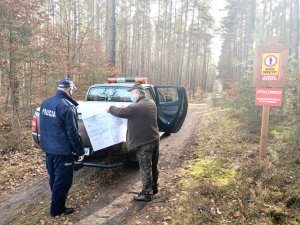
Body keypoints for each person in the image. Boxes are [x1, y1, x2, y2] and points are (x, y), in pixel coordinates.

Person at [40, 77, 85, 217]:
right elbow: (72, 132)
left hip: (49, 148)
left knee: (53, 176)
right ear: (69, 89)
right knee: (63, 180)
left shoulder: (46, 103)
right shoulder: (66, 106)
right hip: (62, 150)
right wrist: (80, 151)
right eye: (72, 89)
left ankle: (56, 201)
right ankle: (57, 210)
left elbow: (44, 125)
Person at [108, 83, 160, 202]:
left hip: (144, 143)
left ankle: (146, 194)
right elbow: (132, 111)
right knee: (153, 166)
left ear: (138, 93)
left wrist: (110, 108)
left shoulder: (135, 107)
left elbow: (120, 112)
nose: (132, 95)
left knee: (145, 167)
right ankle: (154, 188)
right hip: (154, 139)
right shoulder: (150, 103)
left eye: (132, 93)